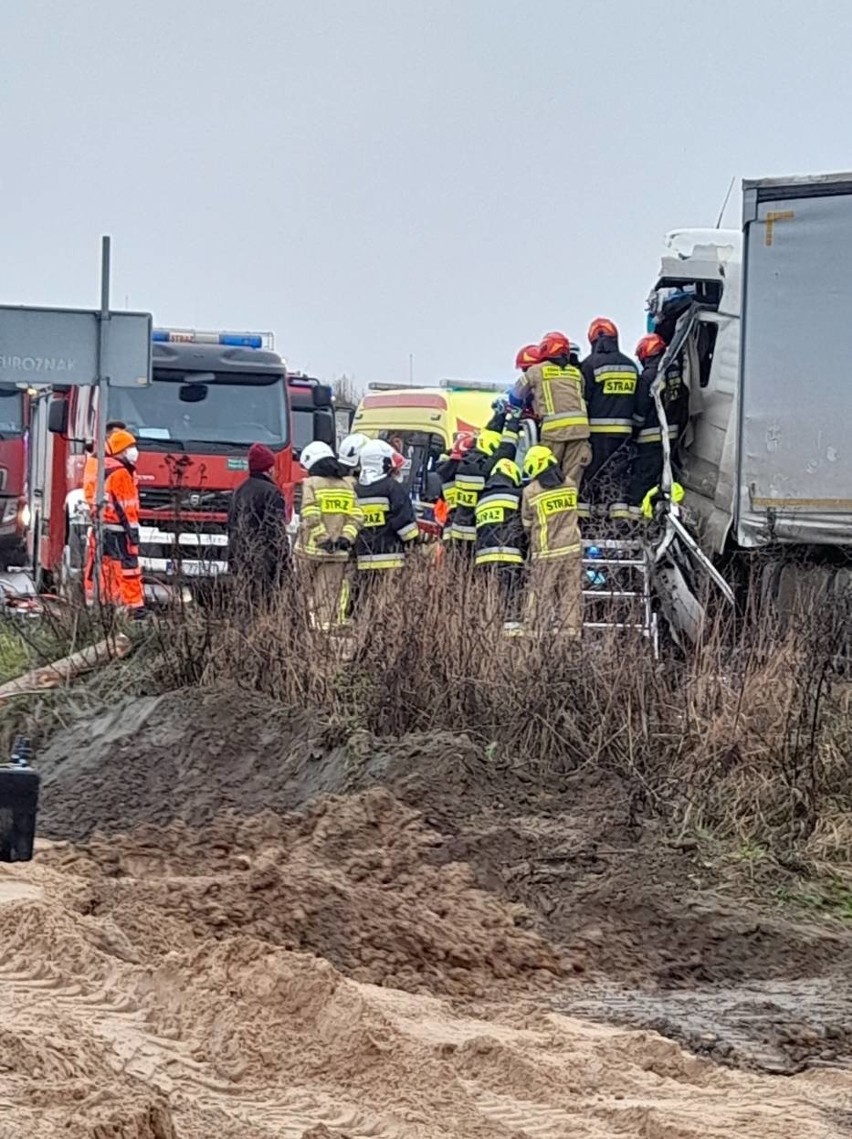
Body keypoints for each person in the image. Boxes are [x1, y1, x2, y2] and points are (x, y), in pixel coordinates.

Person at [295, 441, 363, 629]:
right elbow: (356, 516)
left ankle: (300, 629)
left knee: (300, 593)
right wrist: (345, 538)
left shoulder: (310, 484)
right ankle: (323, 635)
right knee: (327, 596)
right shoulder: (347, 486)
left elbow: (310, 513)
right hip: (337, 553)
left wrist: (322, 538)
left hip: (309, 550)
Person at [510, 331, 590, 488]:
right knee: (571, 479)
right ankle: (568, 509)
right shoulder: (576, 373)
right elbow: (582, 394)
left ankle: (545, 509)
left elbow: (516, 394)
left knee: (546, 474)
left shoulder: (536, 371)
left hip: (554, 432)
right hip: (580, 431)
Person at [580, 318, 639, 522]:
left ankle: (589, 522)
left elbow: (583, 400)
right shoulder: (631, 366)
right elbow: (639, 401)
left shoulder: (589, 365)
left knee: (591, 477)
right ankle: (619, 523)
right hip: (624, 433)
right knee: (618, 477)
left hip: (595, 434)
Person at [521, 444, 582, 635]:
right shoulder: (571, 485)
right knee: (570, 592)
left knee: (539, 592)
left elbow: (527, 523)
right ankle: (570, 632)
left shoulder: (531, 492)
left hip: (546, 551)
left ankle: (534, 629)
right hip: (572, 547)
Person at [627, 334, 683, 517]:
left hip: (650, 438)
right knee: (666, 479)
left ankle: (637, 520)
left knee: (643, 481)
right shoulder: (675, 371)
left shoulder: (649, 376)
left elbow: (640, 410)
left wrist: (632, 432)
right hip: (673, 436)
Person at [448, 407, 519, 547]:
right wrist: (513, 422)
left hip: (458, 528)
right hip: (473, 531)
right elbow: (505, 451)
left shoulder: (465, 464)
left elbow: (487, 435)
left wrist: (500, 416)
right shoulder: (482, 469)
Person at [227, 442, 289, 601]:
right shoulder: (272, 492)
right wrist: (284, 563)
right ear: (269, 469)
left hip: (240, 557)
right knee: (265, 603)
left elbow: (232, 526)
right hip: (264, 562)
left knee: (245, 603)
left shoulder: (239, 491)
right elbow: (275, 530)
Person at [354, 439, 419, 578]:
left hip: (363, 559)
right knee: (387, 598)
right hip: (391, 558)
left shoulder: (356, 490)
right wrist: (415, 542)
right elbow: (404, 522)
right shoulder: (392, 487)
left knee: (364, 597)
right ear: (382, 463)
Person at [474, 457, 526, 626]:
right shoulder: (517, 495)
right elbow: (524, 524)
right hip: (508, 556)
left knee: (488, 602)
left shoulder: (481, 500)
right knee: (510, 602)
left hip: (483, 559)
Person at [99, 429, 145, 617]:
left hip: (111, 528)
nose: (134, 451)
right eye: (130, 447)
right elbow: (125, 507)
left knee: (112, 568)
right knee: (129, 569)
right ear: (120, 450)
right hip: (121, 530)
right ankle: (133, 608)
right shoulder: (120, 474)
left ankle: (113, 605)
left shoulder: (109, 468)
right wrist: (133, 534)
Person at [82, 420, 126, 602]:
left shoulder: (120, 466)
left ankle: (109, 601)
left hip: (120, 527)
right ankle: (103, 602)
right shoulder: (99, 463)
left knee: (113, 566)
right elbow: (93, 493)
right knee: (106, 564)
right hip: (108, 525)